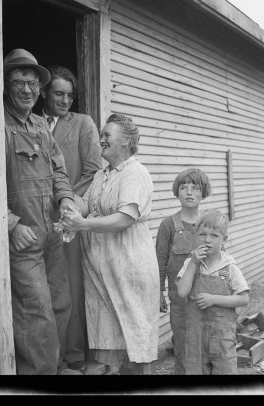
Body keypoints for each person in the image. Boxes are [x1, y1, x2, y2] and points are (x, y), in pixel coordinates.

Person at [2, 48, 81, 375]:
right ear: (6, 84)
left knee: (61, 304)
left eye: (33, 85)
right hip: (24, 240)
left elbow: (59, 172)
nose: (27, 90)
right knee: (36, 313)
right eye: (19, 82)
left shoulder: (41, 125)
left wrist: (65, 200)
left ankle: (57, 364)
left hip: (51, 234)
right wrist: (10, 223)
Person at [62, 113, 160, 375]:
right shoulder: (100, 175)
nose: (100, 139)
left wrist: (83, 225)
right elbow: (88, 205)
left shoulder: (135, 173)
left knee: (135, 333)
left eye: (107, 135)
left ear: (126, 142)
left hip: (129, 266)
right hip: (103, 270)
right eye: (101, 135)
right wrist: (68, 203)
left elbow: (124, 219)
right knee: (114, 339)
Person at [40, 66, 103, 373]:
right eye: (58, 93)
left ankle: (75, 354)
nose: (64, 100)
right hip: (34, 217)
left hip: (69, 217)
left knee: (70, 286)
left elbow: (92, 171)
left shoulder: (81, 124)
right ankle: (50, 358)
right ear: (44, 92)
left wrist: (71, 206)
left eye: (69, 95)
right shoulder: (32, 121)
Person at [176, 209, 249, 375]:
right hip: (196, 338)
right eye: (202, 234)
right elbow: (181, 292)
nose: (207, 240)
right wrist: (193, 263)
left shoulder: (229, 267)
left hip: (223, 339)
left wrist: (214, 299)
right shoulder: (190, 264)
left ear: (224, 240)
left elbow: (244, 299)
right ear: (195, 236)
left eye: (214, 236)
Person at [155, 168, 212, 374]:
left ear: (203, 193)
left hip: (206, 297)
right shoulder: (168, 225)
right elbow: (160, 261)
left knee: (206, 346)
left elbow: (221, 261)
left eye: (195, 188)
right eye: (183, 187)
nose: (189, 192)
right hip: (179, 300)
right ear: (176, 192)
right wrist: (159, 292)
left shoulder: (209, 224)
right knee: (182, 347)